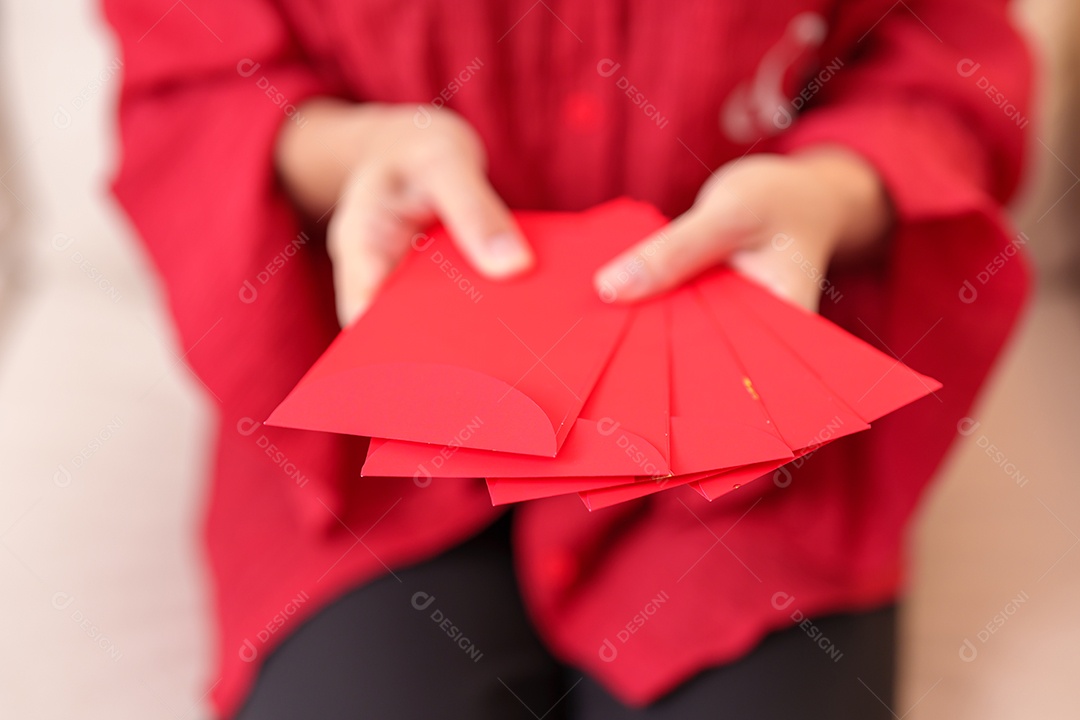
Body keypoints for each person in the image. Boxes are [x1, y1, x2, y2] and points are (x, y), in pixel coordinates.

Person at [102, 1, 1032, 718]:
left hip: (744, 424)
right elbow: (191, 68)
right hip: (363, 428)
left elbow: (946, 62)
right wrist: (349, 151)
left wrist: (830, 190)